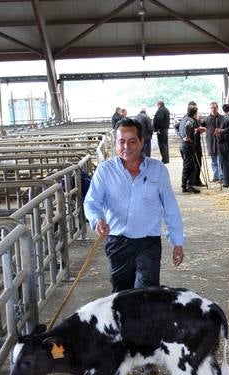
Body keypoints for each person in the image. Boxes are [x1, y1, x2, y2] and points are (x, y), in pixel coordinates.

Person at [83, 116, 184, 291]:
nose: (126, 147)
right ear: (115, 143)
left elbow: (170, 207)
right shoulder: (105, 171)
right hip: (117, 242)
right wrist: (97, 219)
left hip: (148, 243)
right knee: (121, 295)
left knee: (147, 295)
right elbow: (92, 202)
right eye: (121, 142)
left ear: (141, 142)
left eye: (132, 142)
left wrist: (177, 242)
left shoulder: (158, 170)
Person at [178, 102, 206, 194]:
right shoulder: (190, 120)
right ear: (195, 113)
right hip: (187, 146)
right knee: (191, 166)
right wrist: (187, 136)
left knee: (188, 165)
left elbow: (178, 127)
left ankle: (186, 185)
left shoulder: (184, 118)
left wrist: (182, 136)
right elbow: (188, 126)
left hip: (183, 145)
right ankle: (188, 185)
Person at [202, 101, 223, 181]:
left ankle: (221, 176)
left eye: (215, 108)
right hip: (211, 143)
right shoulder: (206, 119)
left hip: (220, 142)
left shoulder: (222, 118)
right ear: (210, 109)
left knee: (220, 160)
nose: (213, 109)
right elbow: (200, 127)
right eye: (212, 108)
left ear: (217, 108)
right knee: (214, 161)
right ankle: (215, 176)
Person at [153, 100, 170, 164]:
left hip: (161, 130)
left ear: (159, 104)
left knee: (162, 145)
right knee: (165, 144)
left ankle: (164, 160)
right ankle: (166, 159)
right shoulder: (166, 110)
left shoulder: (160, 110)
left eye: (157, 105)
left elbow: (160, 119)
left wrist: (158, 129)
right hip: (165, 129)